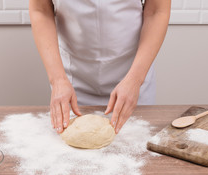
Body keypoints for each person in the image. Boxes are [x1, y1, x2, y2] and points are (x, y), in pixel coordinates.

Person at [29, 0, 171, 134]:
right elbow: (40, 9)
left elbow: (157, 11)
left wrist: (135, 80)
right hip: (72, 82)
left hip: (133, 76)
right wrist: (58, 80)